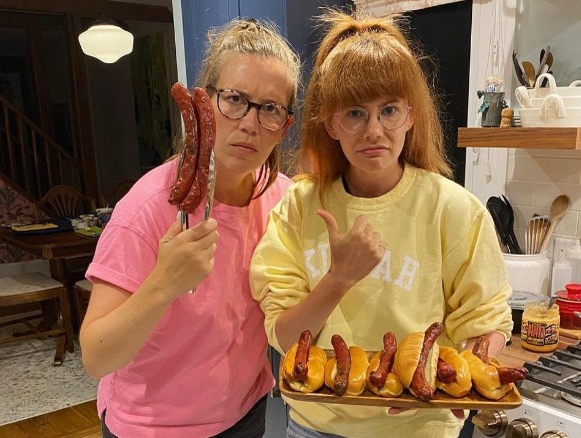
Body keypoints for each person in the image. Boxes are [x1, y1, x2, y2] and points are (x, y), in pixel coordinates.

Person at [249, 9, 513, 438]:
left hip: (418, 425)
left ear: (411, 114)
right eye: (354, 113)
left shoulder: (454, 210)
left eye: (388, 110)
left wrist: (451, 389)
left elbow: (485, 326)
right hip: (317, 425)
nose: (374, 129)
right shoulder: (299, 206)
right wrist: (338, 278)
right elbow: (284, 337)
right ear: (331, 123)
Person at [79, 17, 301, 437]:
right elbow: (96, 356)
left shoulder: (284, 201)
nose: (250, 124)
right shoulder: (147, 208)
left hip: (245, 414)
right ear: (204, 104)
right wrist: (163, 283)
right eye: (235, 99)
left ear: (284, 126)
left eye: (270, 108)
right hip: (154, 426)